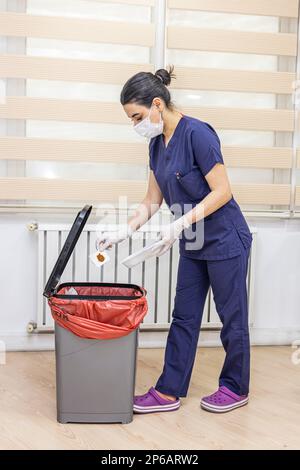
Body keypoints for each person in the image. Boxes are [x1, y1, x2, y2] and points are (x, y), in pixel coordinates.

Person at [96, 65, 252, 414]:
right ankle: (168, 391)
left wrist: (180, 222)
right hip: (194, 240)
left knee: (232, 317)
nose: (136, 124)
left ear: (156, 104)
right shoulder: (155, 144)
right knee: (184, 316)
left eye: (137, 116)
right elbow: (152, 199)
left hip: (226, 237)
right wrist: (126, 229)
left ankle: (235, 387)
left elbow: (223, 192)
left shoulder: (198, 133)